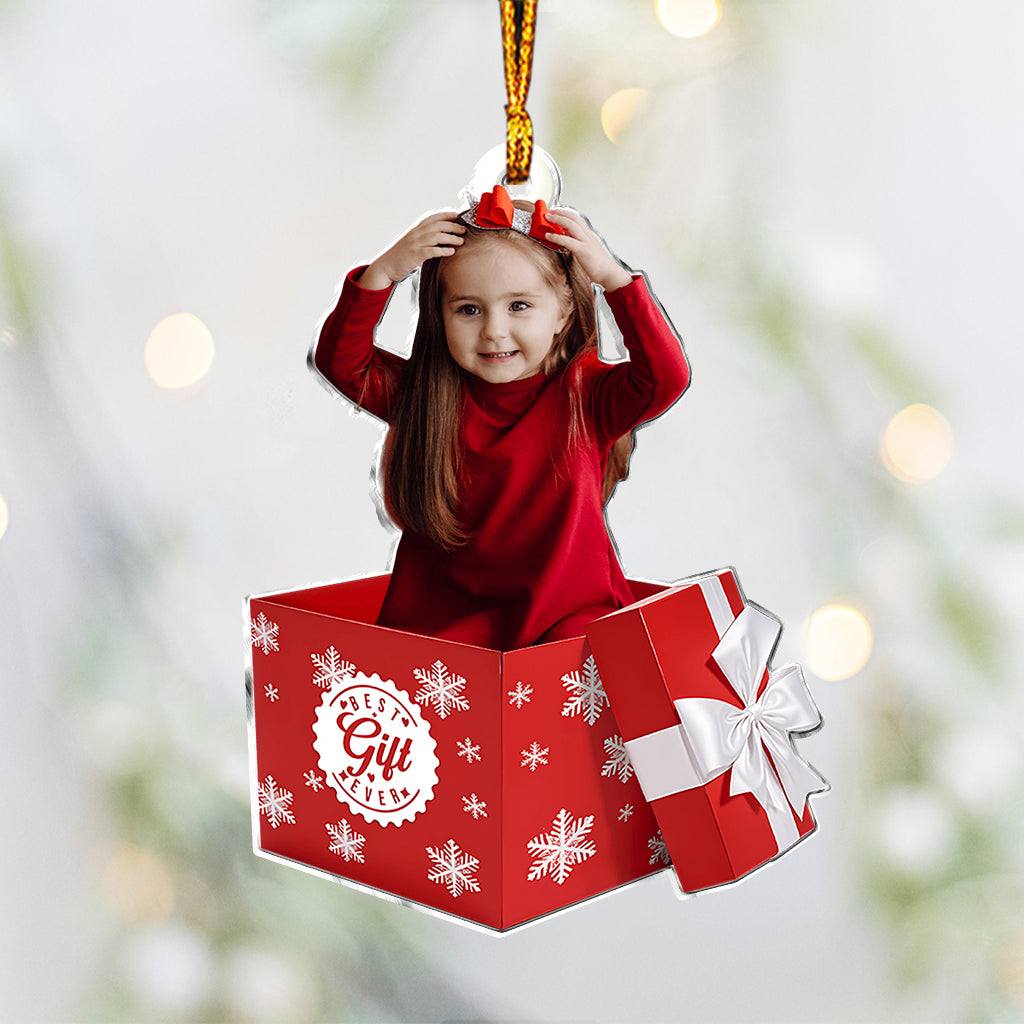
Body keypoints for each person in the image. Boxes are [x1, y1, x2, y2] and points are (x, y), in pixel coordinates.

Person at [312, 187, 689, 650]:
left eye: (519, 306)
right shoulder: (425, 396)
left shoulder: (586, 397)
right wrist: (384, 272)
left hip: (567, 618)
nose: (493, 330)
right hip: (449, 621)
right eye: (468, 309)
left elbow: (665, 378)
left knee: (588, 656)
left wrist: (614, 279)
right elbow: (342, 363)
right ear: (440, 316)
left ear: (563, 312)